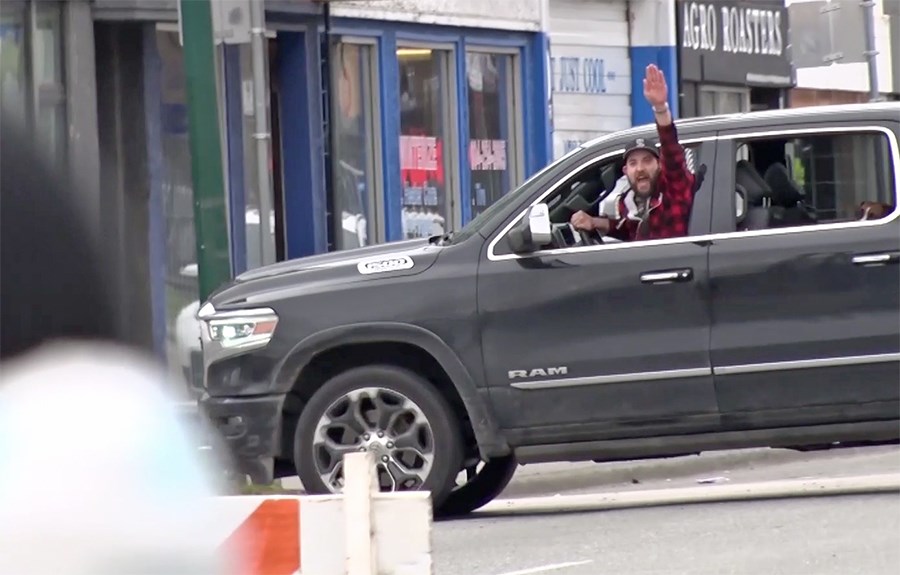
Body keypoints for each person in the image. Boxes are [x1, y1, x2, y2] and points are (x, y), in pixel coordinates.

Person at [569, 64, 696, 242]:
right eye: (633, 163)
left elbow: (671, 151)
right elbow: (627, 228)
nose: (640, 169)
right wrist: (592, 222)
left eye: (647, 161)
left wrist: (660, 108)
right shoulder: (627, 202)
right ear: (625, 171)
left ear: (659, 165)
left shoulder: (674, 189)